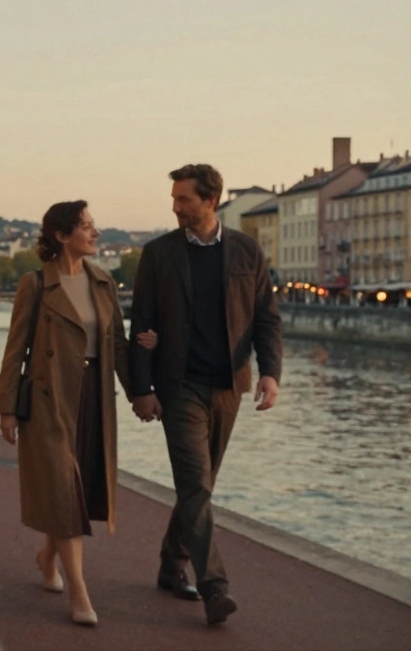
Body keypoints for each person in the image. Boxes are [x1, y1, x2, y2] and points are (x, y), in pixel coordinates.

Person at [129, 164, 282, 626]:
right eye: (174, 199)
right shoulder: (159, 254)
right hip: (179, 387)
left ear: (210, 201)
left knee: (200, 486)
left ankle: (171, 564)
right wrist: (142, 389)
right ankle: (216, 588)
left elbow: (266, 317)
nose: (175, 207)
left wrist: (270, 373)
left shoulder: (247, 251)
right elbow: (141, 324)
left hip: (228, 386)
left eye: (184, 199)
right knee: (196, 485)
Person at [0, 201, 134, 627]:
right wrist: (6, 408)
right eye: (86, 226)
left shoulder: (103, 282)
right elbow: (15, 349)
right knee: (63, 487)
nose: (95, 233)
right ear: (61, 235)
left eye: (93, 225)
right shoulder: (36, 284)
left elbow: (118, 346)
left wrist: (141, 395)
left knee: (73, 490)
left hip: (94, 396)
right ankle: (78, 592)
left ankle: (47, 556)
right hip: (49, 399)